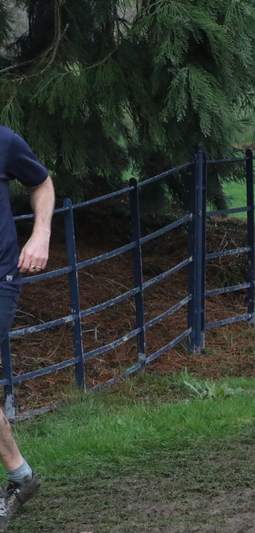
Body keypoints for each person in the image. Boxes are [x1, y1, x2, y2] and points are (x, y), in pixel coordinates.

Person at [0, 126, 55, 530]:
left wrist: (41, 235)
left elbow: (41, 182)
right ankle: (21, 477)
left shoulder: (3, 140)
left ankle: (21, 477)